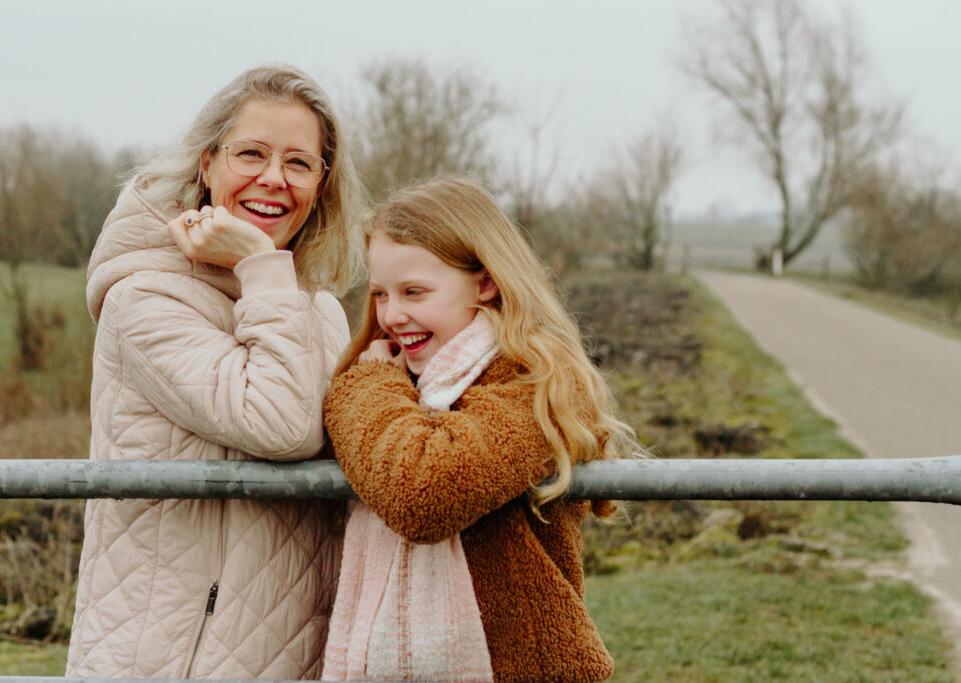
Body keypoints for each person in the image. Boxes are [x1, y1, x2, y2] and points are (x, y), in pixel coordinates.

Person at [66, 64, 363, 680]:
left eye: (300, 163)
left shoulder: (319, 310)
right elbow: (281, 425)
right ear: (207, 165)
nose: (273, 179)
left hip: (295, 659)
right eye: (250, 153)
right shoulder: (144, 298)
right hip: (172, 661)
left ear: (322, 183)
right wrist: (261, 263)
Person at [320, 177, 639, 682]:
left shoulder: (540, 383)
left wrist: (370, 384)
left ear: (486, 282)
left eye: (414, 291)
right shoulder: (399, 383)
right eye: (380, 294)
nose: (391, 315)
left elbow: (421, 492)